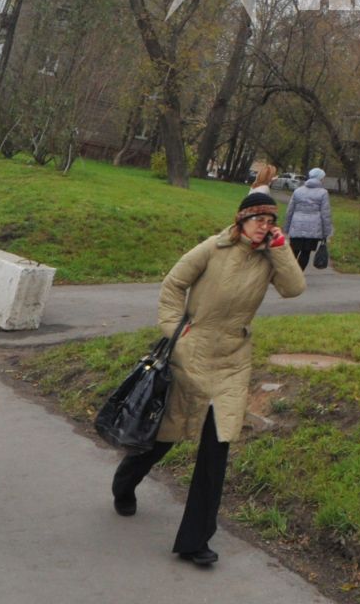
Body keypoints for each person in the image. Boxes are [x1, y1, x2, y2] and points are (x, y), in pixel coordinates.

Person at [110, 188, 306, 567]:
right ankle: (125, 482)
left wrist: (281, 248)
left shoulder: (270, 258)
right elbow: (172, 285)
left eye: (270, 221)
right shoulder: (212, 249)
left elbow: (294, 289)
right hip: (192, 353)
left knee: (218, 447)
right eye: (258, 220)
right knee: (165, 436)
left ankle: (195, 540)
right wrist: (174, 332)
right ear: (241, 220)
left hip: (233, 359)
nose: (264, 227)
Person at [281, 167, 334, 269]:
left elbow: (290, 211)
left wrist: (286, 228)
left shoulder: (298, 191)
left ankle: (288, 275)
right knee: (306, 253)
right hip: (313, 230)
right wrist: (326, 232)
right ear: (320, 178)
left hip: (296, 227)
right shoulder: (323, 193)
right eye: (323, 178)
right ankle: (298, 275)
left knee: (293, 252)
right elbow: (325, 214)